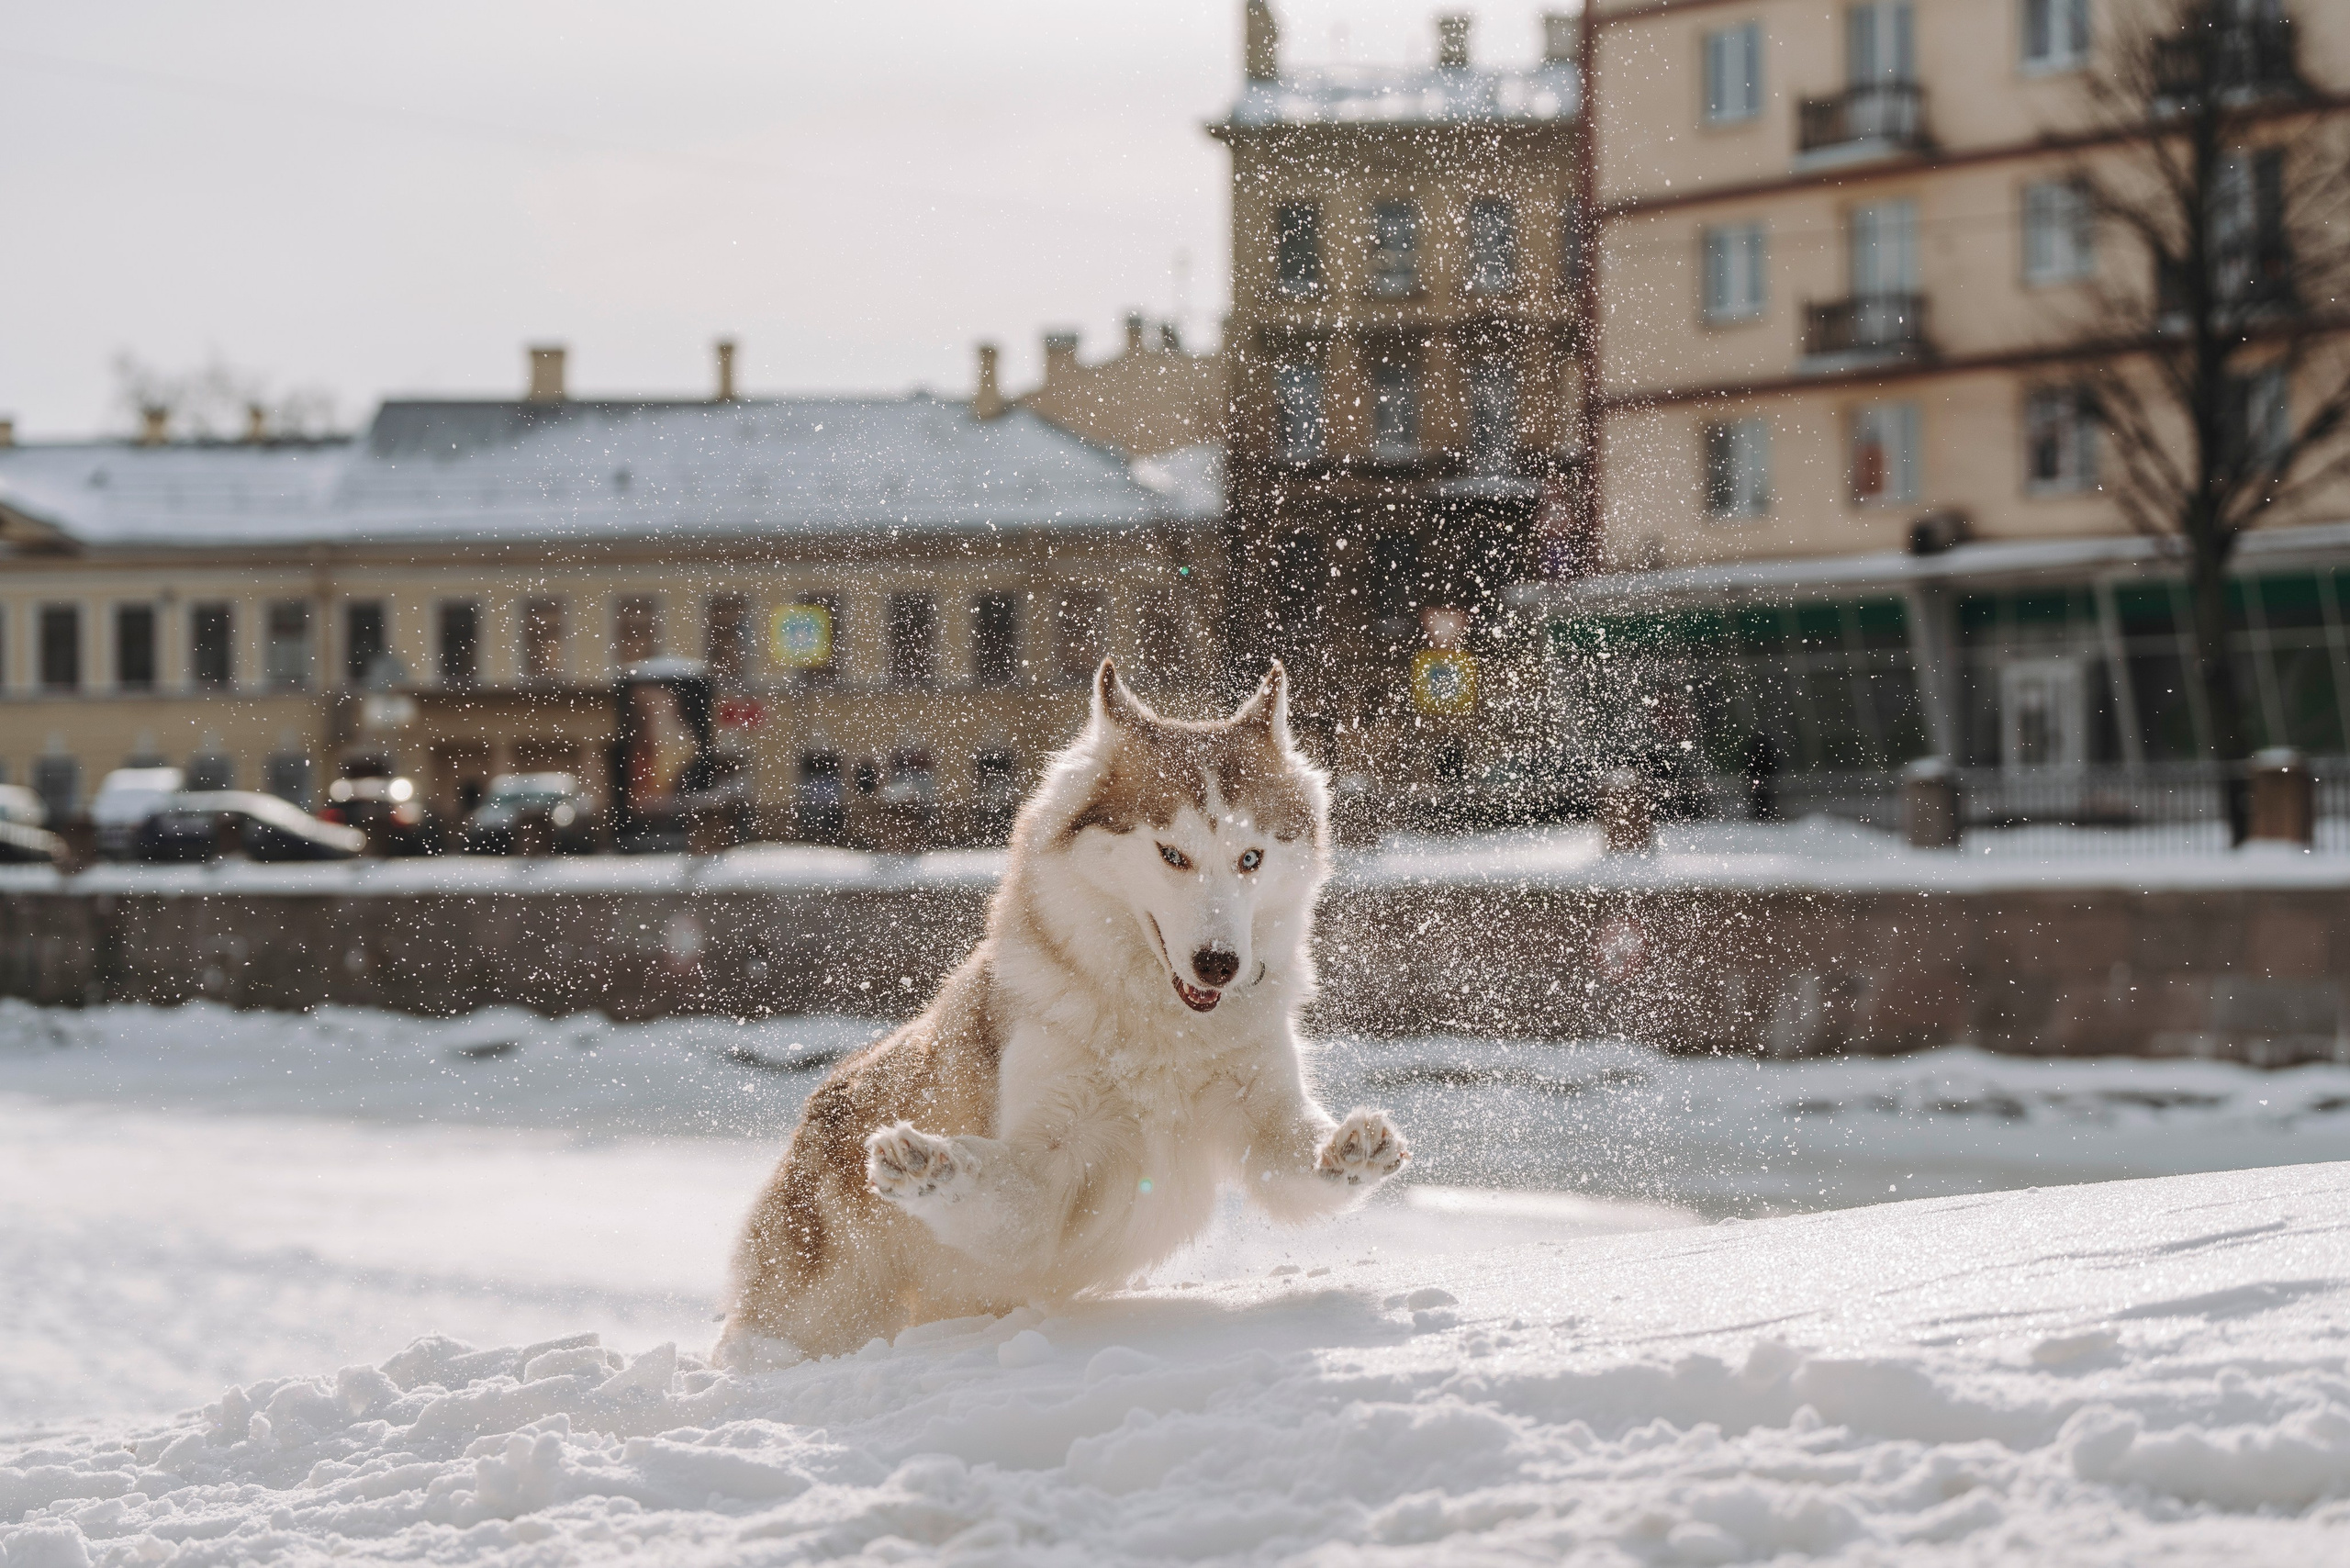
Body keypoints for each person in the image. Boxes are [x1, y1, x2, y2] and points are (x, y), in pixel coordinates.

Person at [1741, 728, 1781, 823]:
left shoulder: (1753, 748)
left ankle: (1760, 815)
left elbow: (1747, 763)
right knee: (1766, 799)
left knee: (1759, 799)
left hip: (1758, 779)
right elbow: (1774, 762)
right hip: (1766, 779)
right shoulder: (1768, 748)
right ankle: (1766, 815)